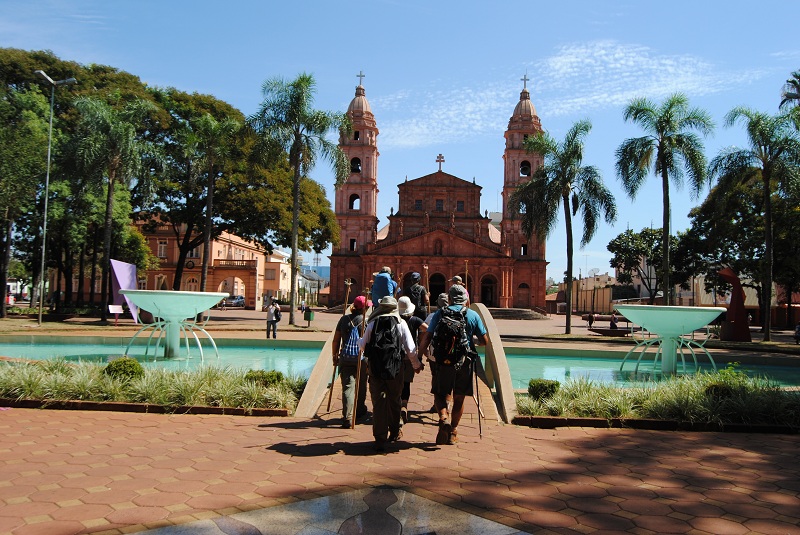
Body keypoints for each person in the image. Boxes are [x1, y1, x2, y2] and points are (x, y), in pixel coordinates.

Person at [419, 284, 487, 446]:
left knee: (440, 393)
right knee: (459, 397)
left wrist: (419, 357)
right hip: (464, 361)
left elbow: (428, 337)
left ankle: (443, 417)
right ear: (466, 299)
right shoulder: (472, 315)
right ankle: (453, 431)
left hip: (443, 361)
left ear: (449, 299)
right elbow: (484, 342)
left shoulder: (440, 313)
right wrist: (468, 342)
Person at [358, 296, 423, 451]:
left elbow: (362, 345)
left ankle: (380, 437)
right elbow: (411, 349)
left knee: (378, 402)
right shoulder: (401, 323)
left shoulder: (373, 323)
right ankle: (394, 432)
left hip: (375, 368)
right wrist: (416, 365)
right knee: (395, 400)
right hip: (396, 368)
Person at [332, 295, 368, 427]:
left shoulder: (344, 319)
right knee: (361, 385)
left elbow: (336, 340)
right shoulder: (366, 321)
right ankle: (359, 411)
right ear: (364, 308)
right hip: (361, 358)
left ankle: (347, 416)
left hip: (345, 357)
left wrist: (334, 355)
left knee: (347, 386)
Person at [398, 296, 425, 425]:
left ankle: (396, 406)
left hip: (396, 355)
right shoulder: (415, 320)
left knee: (396, 382)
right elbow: (428, 329)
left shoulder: (395, 320)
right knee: (406, 382)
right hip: (410, 355)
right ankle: (404, 404)